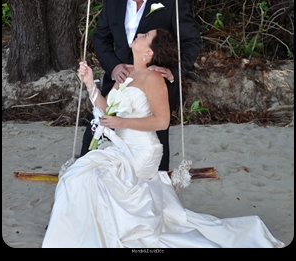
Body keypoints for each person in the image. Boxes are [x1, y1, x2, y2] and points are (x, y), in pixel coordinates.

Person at [43, 29, 282, 247]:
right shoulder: (124, 74)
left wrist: (120, 123)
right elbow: (107, 112)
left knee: (96, 179)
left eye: (145, 35)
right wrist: (89, 84)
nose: (140, 34)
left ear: (149, 52)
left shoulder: (153, 78)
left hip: (141, 151)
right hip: (119, 148)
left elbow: (161, 121)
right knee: (77, 176)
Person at [82, 0, 201, 173]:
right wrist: (113, 66)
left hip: (154, 81)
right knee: (96, 133)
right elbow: (100, 37)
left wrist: (174, 72)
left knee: (155, 139)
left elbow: (191, 41)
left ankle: (157, 186)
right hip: (119, 80)